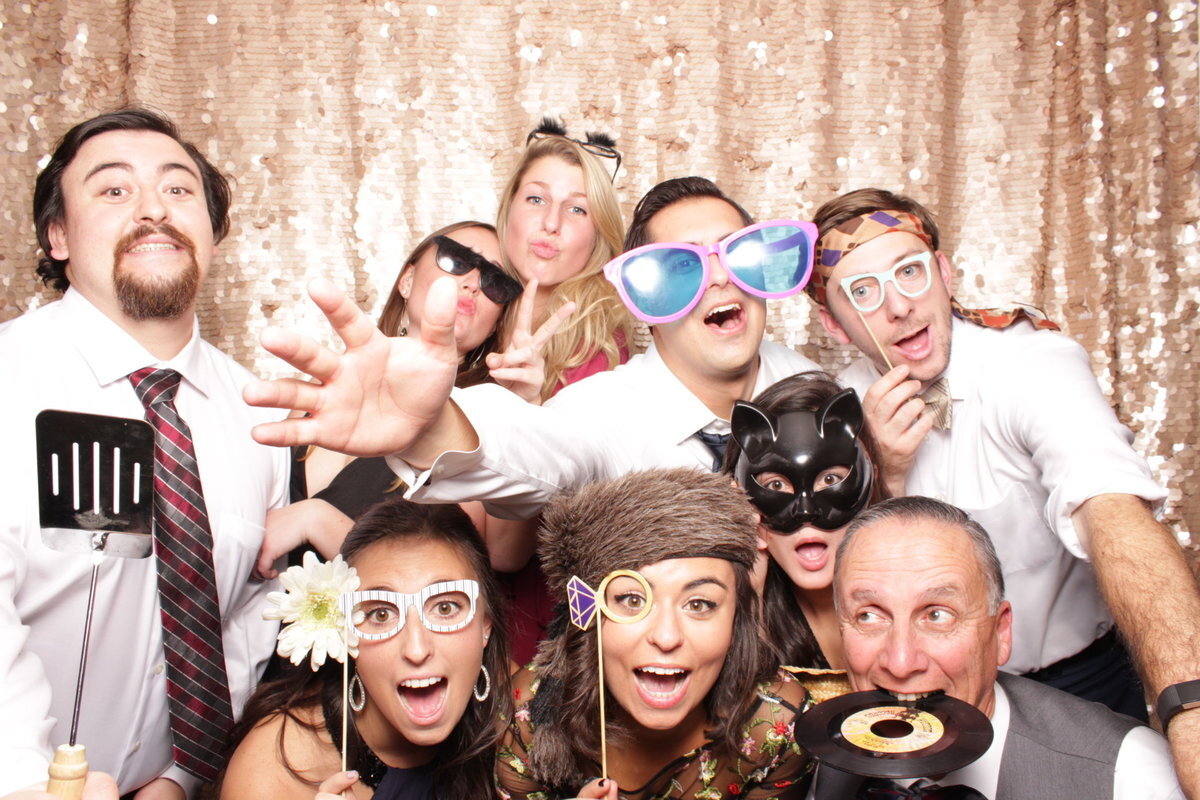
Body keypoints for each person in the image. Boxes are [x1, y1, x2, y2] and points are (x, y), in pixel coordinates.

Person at [806, 188, 1200, 791]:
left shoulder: (1032, 364)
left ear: (944, 273)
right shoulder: (837, 408)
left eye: (909, 272)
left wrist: (1189, 708)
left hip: (1075, 682)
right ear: (834, 324)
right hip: (914, 683)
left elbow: (1112, 511)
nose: (900, 307)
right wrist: (884, 473)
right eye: (863, 291)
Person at [243, 177, 822, 523]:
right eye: (680, 269)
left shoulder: (816, 389)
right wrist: (429, 426)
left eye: (739, 254)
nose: (719, 279)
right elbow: (533, 452)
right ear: (645, 301)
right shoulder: (604, 411)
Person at [0, 109, 290, 798]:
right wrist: (32, 783)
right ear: (58, 235)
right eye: (114, 189)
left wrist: (182, 774)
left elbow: (251, 610)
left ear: (212, 232)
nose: (154, 209)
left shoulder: (259, 411)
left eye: (178, 189)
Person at [828, 496, 1182, 799]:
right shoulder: (822, 758)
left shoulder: (1130, 774)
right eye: (868, 617)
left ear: (1000, 632)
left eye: (937, 615)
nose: (901, 662)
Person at [496, 468, 812, 799]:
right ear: (587, 611)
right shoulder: (527, 716)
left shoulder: (776, 725)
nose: (666, 637)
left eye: (699, 604)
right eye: (632, 600)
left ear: (737, 616)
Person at [253, 221, 528, 575]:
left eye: (495, 282)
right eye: (457, 260)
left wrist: (316, 520)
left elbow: (474, 566)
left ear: (496, 322)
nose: (473, 283)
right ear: (407, 279)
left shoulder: (476, 427)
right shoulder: (320, 387)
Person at [221, 497, 510, 800]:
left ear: (485, 626)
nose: (416, 650)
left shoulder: (521, 717)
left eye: (446, 607)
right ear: (346, 631)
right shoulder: (269, 775)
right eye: (381, 614)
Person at [723, 372, 877, 670]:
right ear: (739, 497)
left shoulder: (917, 592)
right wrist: (750, 598)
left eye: (830, 480)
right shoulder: (717, 618)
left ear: (870, 479)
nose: (806, 512)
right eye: (776, 485)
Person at [489, 117, 633, 401]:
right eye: (536, 199)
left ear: (598, 236)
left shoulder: (597, 351)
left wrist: (528, 402)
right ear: (509, 208)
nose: (551, 223)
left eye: (577, 209)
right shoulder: (475, 303)